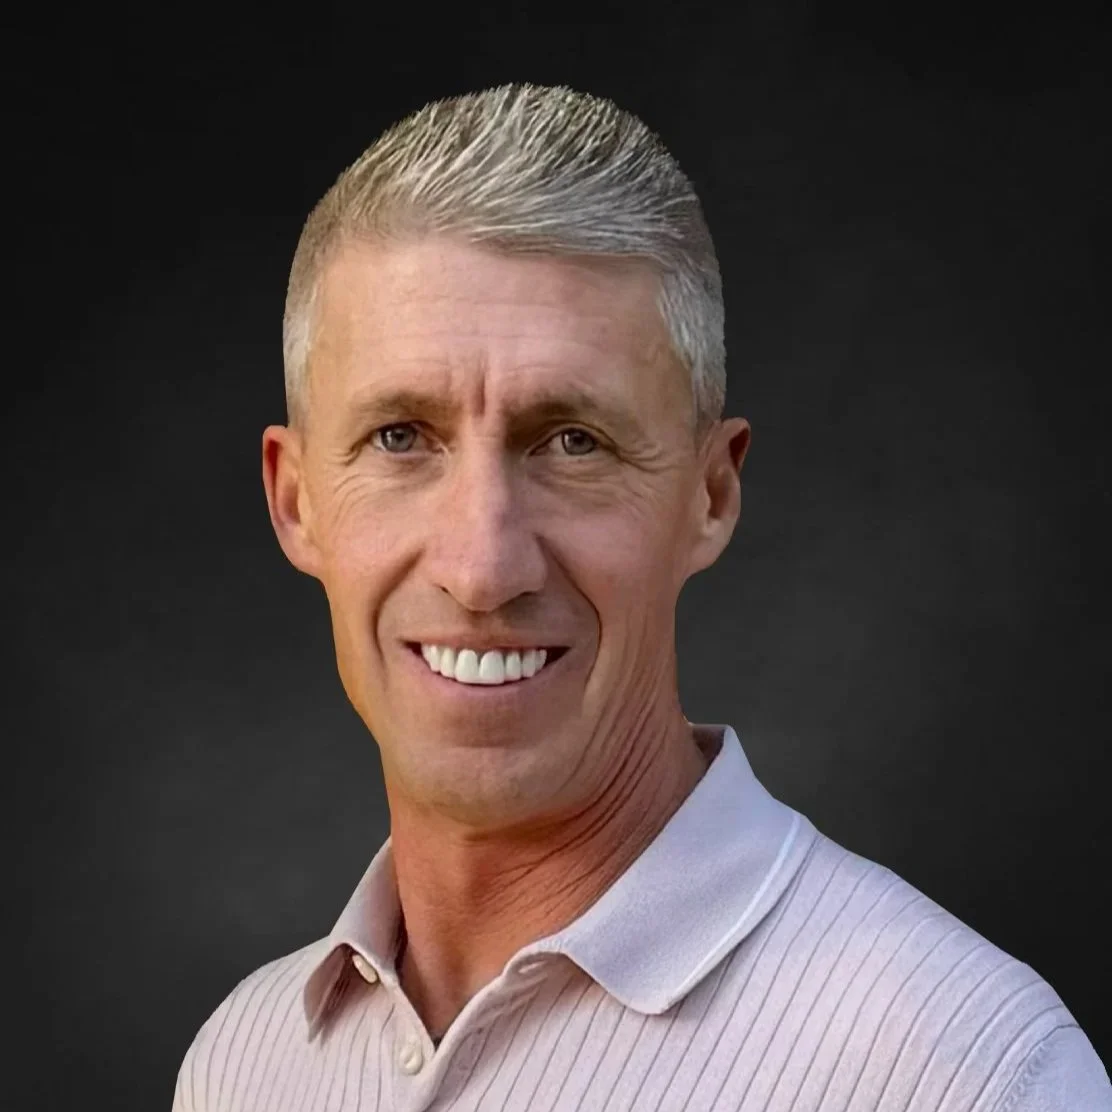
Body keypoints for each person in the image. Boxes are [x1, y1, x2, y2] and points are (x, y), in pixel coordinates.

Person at [172, 84, 1110, 1111]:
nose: (482, 568)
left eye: (573, 442)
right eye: (400, 438)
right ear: (297, 501)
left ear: (710, 494)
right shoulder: (243, 1064)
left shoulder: (964, 1072)